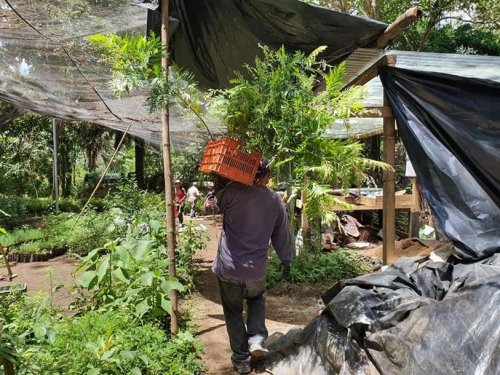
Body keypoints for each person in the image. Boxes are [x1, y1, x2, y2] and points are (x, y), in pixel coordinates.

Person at [212, 159, 292, 374]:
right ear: (264, 176)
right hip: (255, 269)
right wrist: (286, 259)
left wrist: (218, 186)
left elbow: (211, 205)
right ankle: (256, 339)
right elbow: (281, 234)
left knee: (233, 312)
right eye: (268, 175)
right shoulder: (275, 200)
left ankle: (241, 361)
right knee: (256, 299)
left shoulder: (233, 191)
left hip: (228, 267)